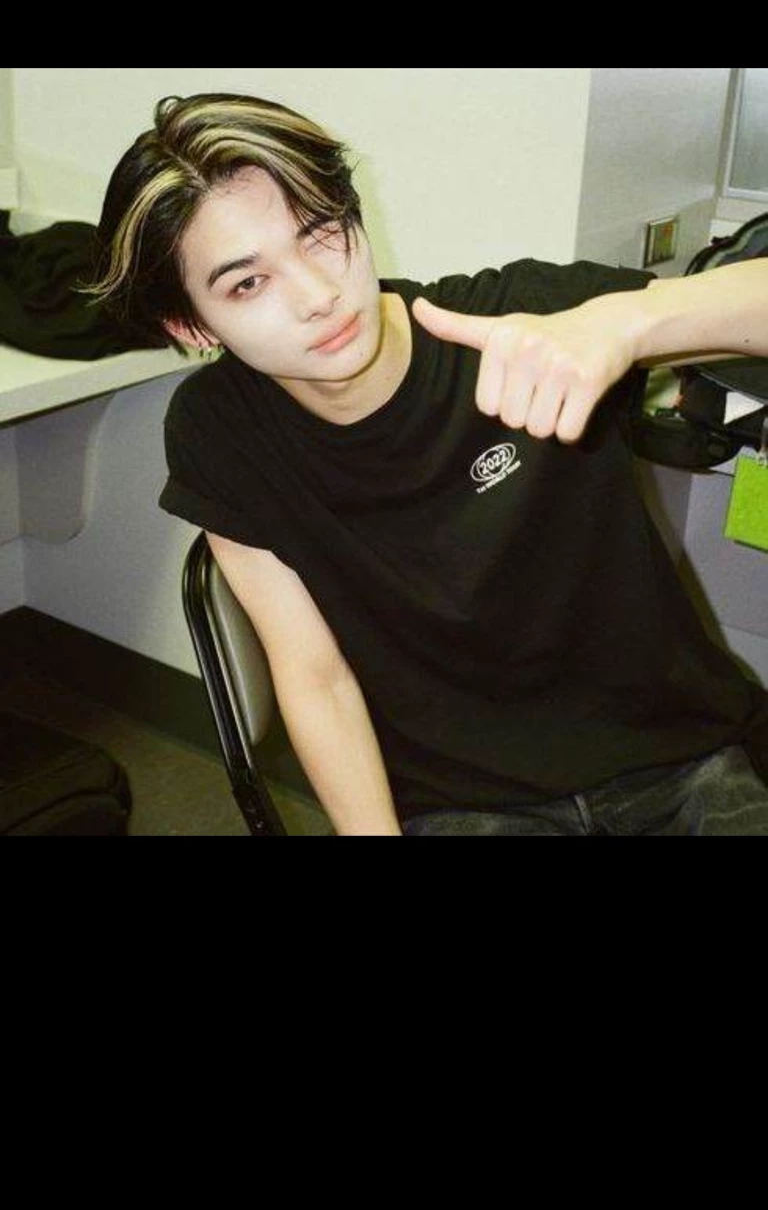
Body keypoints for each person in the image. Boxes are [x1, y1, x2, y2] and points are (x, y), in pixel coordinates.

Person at [78, 91, 768, 836]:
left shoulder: (516, 321)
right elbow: (315, 676)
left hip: (678, 757)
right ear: (192, 325)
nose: (317, 296)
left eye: (320, 233)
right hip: (464, 801)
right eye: (248, 283)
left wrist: (627, 322)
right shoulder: (219, 430)